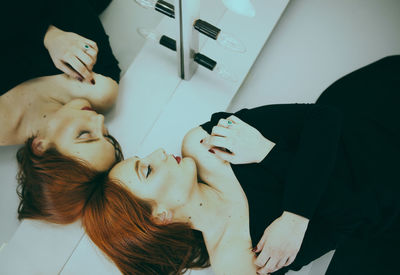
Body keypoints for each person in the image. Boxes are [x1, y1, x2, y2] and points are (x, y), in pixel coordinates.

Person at [16, 55, 400, 275]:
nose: (157, 154)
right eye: (146, 170)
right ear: (161, 216)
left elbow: (326, 119)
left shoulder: (215, 139)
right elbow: (360, 215)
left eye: (141, 158)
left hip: (378, 108)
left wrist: (293, 206)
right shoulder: (256, 252)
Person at [1, 0, 122, 172]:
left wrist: (47, 34)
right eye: (105, 135)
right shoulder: (98, 89)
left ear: (40, 147)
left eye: (85, 135)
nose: (99, 120)